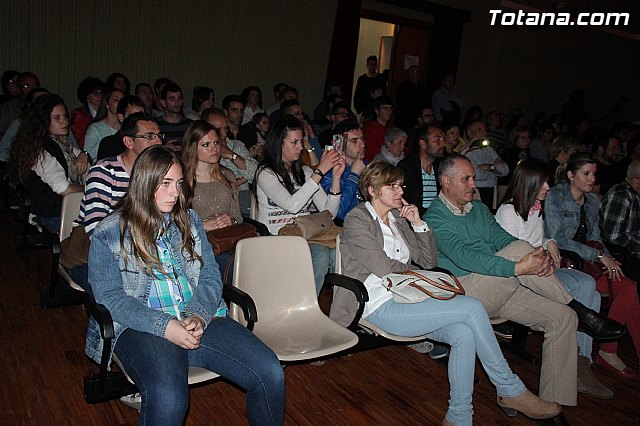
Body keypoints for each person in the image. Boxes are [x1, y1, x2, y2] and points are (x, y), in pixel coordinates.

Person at [334, 161, 563, 426]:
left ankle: (459, 417)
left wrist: (418, 224)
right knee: (472, 307)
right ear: (373, 190)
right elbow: (384, 267)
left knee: (464, 334)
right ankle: (510, 389)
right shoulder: (357, 219)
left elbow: (429, 260)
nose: (400, 191)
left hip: (411, 296)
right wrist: (419, 273)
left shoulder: (399, 219)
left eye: (400, 185)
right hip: (378, 303)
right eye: (392, 185)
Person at [85, 145, 285, 425]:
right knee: (169, 397)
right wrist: (164, 326)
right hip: (142, 326)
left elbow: (210, 277)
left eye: (178, 183)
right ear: (144, 182)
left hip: (196, 317)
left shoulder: (188, 220)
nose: (175, 193)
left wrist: (198, 314)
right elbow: (110, 299)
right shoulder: (109, 233)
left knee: (269, 371)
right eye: (165, 183)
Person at [425, 153, 625, 410]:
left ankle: (554, 407)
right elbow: (467, 258)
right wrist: (518, 265)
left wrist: (534, 260)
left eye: (474, 177)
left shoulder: (480, 209)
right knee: (520, 249)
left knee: (563, 319)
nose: (474, 184)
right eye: (466, 179)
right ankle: (582, 310)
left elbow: (504, 241)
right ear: (446, 181)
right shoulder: (435, 217)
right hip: (469, 292)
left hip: (503, 287)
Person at [495, 158, 612, 398]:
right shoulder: (509, 211)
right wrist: (545, 250)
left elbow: (540, 240)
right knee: (580, 294)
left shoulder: (536, 208)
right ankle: (578, 354)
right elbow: (514, 251)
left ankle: (582, 360)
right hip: (523, 275)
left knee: (588, 284)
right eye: (544, 182)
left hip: (540, 266)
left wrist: (549, 243)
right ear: (530, 183)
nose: (548, 186)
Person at [545, 153, 640, 380]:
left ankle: (609, 352)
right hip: (566, 262)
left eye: (593, 174)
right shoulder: (556, 196)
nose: (591, 178)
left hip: (590, 261)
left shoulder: (593, 201)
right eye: (585, 174)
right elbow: (558, 239)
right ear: (570, 175)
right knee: (628, 290)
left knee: (628, 288)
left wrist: (607, 258)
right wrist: (598, 256)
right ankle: (608, 352)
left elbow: (597, 237)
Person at [69, 112, 163, 295]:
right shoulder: (104, 172)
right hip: (97, 251)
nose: (158, 141)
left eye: (159, 135)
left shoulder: (159, 174)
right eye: (150, 136)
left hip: (145, 248)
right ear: (129, 142)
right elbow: (95, 228)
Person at [255, 115, 344, 294]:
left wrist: (336, 177)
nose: (300, 147)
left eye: (301, 141)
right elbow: (292, 205)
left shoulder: (303, 171)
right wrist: (319, 171)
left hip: (304, 234)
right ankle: (305, 307)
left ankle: (336, 308)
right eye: (294, 142)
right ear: (279, 143)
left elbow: (330, 214)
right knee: (319, 254)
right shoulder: (265, 173)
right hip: (276, 235)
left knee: (336, 250)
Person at [8, 94, 87, 232]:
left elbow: (78, 153)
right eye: (57, 118)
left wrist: (83, 154)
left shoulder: (60, 142)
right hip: (53, 213)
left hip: (64, 208)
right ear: (43, 121)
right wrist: (93, 189)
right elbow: (64, 189)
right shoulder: (40, 150)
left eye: (65, 116)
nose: (65, 122)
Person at [182, 120, 242, 283]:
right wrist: (202, 226)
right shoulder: (182, 181)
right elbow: (174, 223)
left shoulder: (227, 176)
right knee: (236, 266)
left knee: (255, 258)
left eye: (216, 142)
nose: (214, 149)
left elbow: (238, 216)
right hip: (197, 243)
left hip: (228, 239)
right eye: (206, 145)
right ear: (193, 147)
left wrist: (231, 220)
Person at [600, 160, 640, 290]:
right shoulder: (621, 195)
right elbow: (613, 235)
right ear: (636, 179)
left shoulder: (635, 195)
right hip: (626, 255)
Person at [320, 119, 366, 223]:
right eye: (354, 141)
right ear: (338, 143)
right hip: (347, 227)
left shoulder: (368, 166)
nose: (362, 145)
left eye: (362, 139)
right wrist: (354, 175)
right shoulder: (328, 172)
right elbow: (337, 213)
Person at [397, 124, 446, 217]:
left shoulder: (441, 167)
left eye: (443, 139)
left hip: (437, 219)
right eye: (437, 140)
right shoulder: (406, 168)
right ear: (423, 144)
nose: (443, 143)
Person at [84, 88, 124, 160]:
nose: (121, 103)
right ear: (107, 104)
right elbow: (88, 154)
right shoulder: (95, 128)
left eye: (123, 100)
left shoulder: (127, 127)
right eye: (116, 100)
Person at [70, 77, 104, 149]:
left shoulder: (107, 112)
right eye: (95, 93)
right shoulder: (78, 114)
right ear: (87, 96)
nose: (99, 96)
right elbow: (80, 141)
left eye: (101, 93)